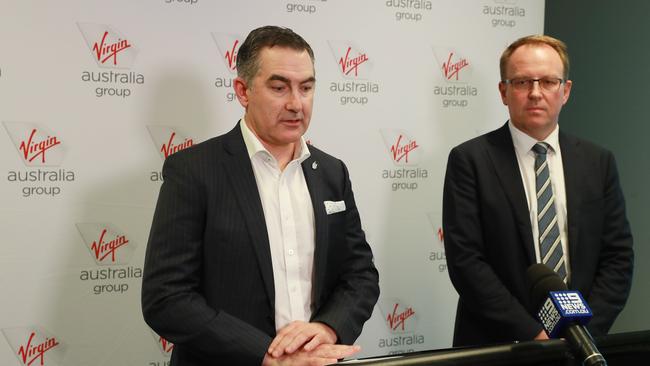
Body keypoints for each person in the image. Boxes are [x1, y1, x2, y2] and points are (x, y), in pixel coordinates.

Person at [142, 25, 380, 365]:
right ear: (243, 91)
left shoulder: (332, 172)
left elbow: (360, 275)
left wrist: (328, 328)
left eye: (307, 87)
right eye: (279, 87)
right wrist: (266, 355)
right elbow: (166, 298)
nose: (296, 104)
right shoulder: (194, 171)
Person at [442, 35, 633, 346]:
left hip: (581, 345)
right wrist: (533, 334)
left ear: (565, 91)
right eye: (521, 82)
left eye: (547, 82)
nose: (535, 93)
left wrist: (584, 332)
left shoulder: (598, 161)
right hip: (497, 345)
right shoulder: (470, 160)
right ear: (503, 92)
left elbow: (618, 257)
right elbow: (466, 262)